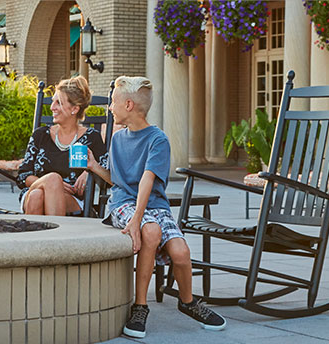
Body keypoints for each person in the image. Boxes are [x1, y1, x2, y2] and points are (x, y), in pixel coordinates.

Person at [86, 76, 226, 338]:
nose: (110, 108)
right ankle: (140, 307)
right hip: (123, 204)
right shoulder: (117, 140)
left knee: (181, 252)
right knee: (150, 232)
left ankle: (188, 302)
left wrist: (137, 219)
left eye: (113, 102)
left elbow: (147, 181)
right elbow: (118, 182)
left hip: (154, 206)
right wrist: (94, 167)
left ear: (128, 105)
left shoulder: (158, 140)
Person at [16, 75, 109, 215]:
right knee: (42, 189)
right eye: (53, 102)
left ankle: (36, 236)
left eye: (58, 102)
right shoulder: (40, 135)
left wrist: (90, 171)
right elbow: (23, 176)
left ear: (74, 109)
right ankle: (57, 236)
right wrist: (52, 183)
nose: (52, 107)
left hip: (71, 199)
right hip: (33, 191)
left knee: (38, 196)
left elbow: (107, 176)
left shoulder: (91, 138)